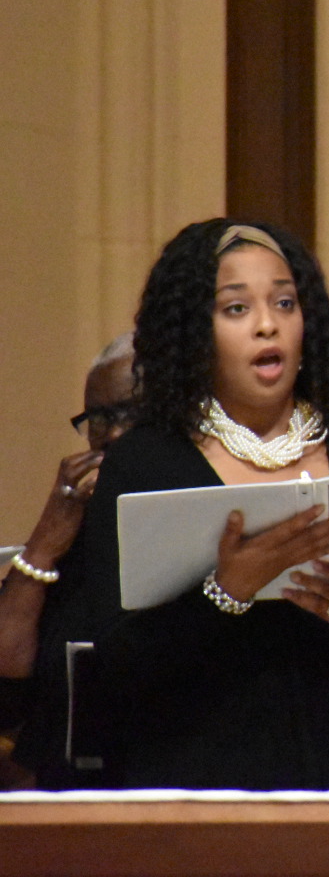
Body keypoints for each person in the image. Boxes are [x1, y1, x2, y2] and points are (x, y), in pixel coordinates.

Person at [19, 219, 329, 788]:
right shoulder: (146, 462)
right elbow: (117, 663)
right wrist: (226, 592)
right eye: (236, 309)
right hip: (196, 778)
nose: (267, 324)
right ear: (192, 333)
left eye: (284, 301)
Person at [0, 335, 136, 788]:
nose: (114, 433)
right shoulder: (76, 522)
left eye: (133, 412)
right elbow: (7, 677)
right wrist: (44, 542)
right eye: (99, 418)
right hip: (70, 790)